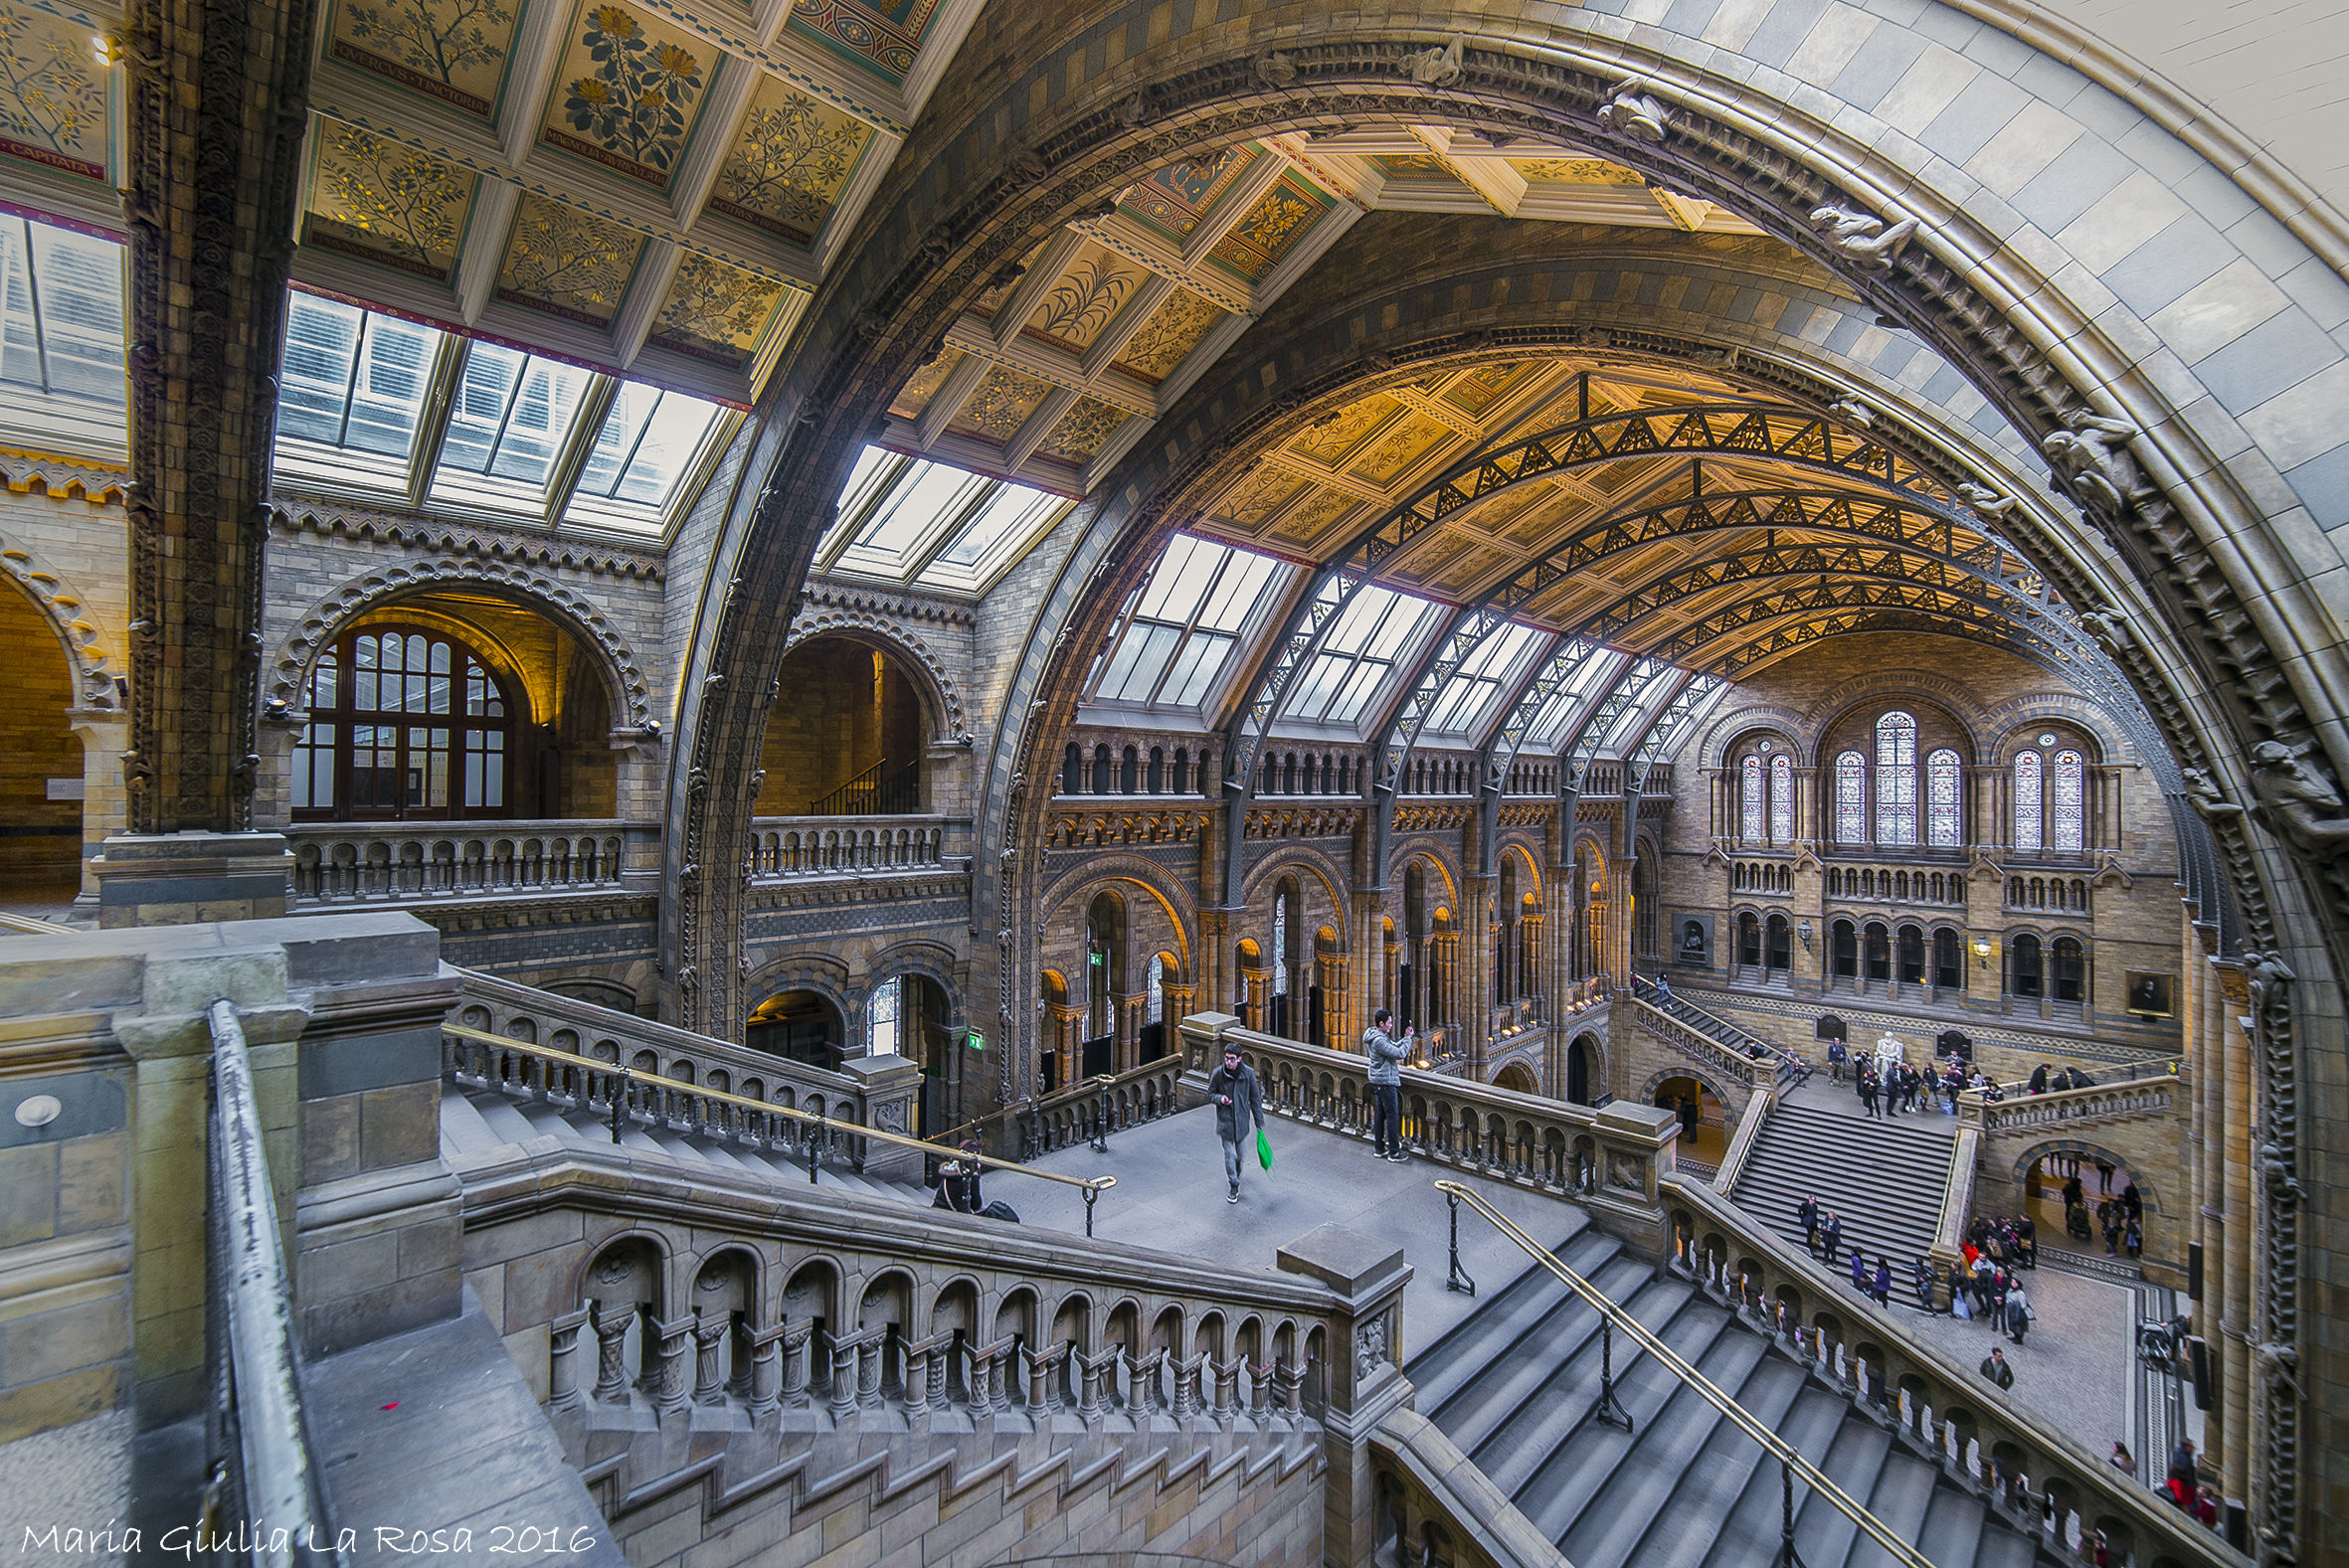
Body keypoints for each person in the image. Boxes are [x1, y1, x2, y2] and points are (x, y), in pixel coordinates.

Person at [1206, 1045, 1265, 1203]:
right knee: (1230, 1155)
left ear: (1239, 1059)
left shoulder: (1248, 1074)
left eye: (1232, 1059)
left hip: (1241, 1123)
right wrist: (1221, 1099)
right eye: (1226, 1058)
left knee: (1240, 1155)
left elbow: (1255, 1099)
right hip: (1226, 1123)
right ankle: (1233, 1184)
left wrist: (1259, 1122)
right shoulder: (1218, 1074)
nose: (1229, 1062)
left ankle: (1236, 1174)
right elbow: (1210, 1094)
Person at [1362, 1007, 1409, 1161]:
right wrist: (1408, 1040)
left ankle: (1379, 1148)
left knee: (1381, 1115)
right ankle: (1394, 1152)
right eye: (1389, 1023)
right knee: (1392, 1116)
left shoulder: (1379, 1036)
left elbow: (1394, 1046)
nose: (1391, 1025)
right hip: (1385, 1082)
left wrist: (1405, 1038)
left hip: (1380, 1081)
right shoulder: (1379, 1040)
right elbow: (1399, 1054)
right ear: (1381, 1023)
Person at [932, 1138, 986, 1213]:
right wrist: (975, 1179)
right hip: (954, 1216)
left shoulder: (950, 1168)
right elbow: (977, 1205)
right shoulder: (971, 1177)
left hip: (937, 1208)